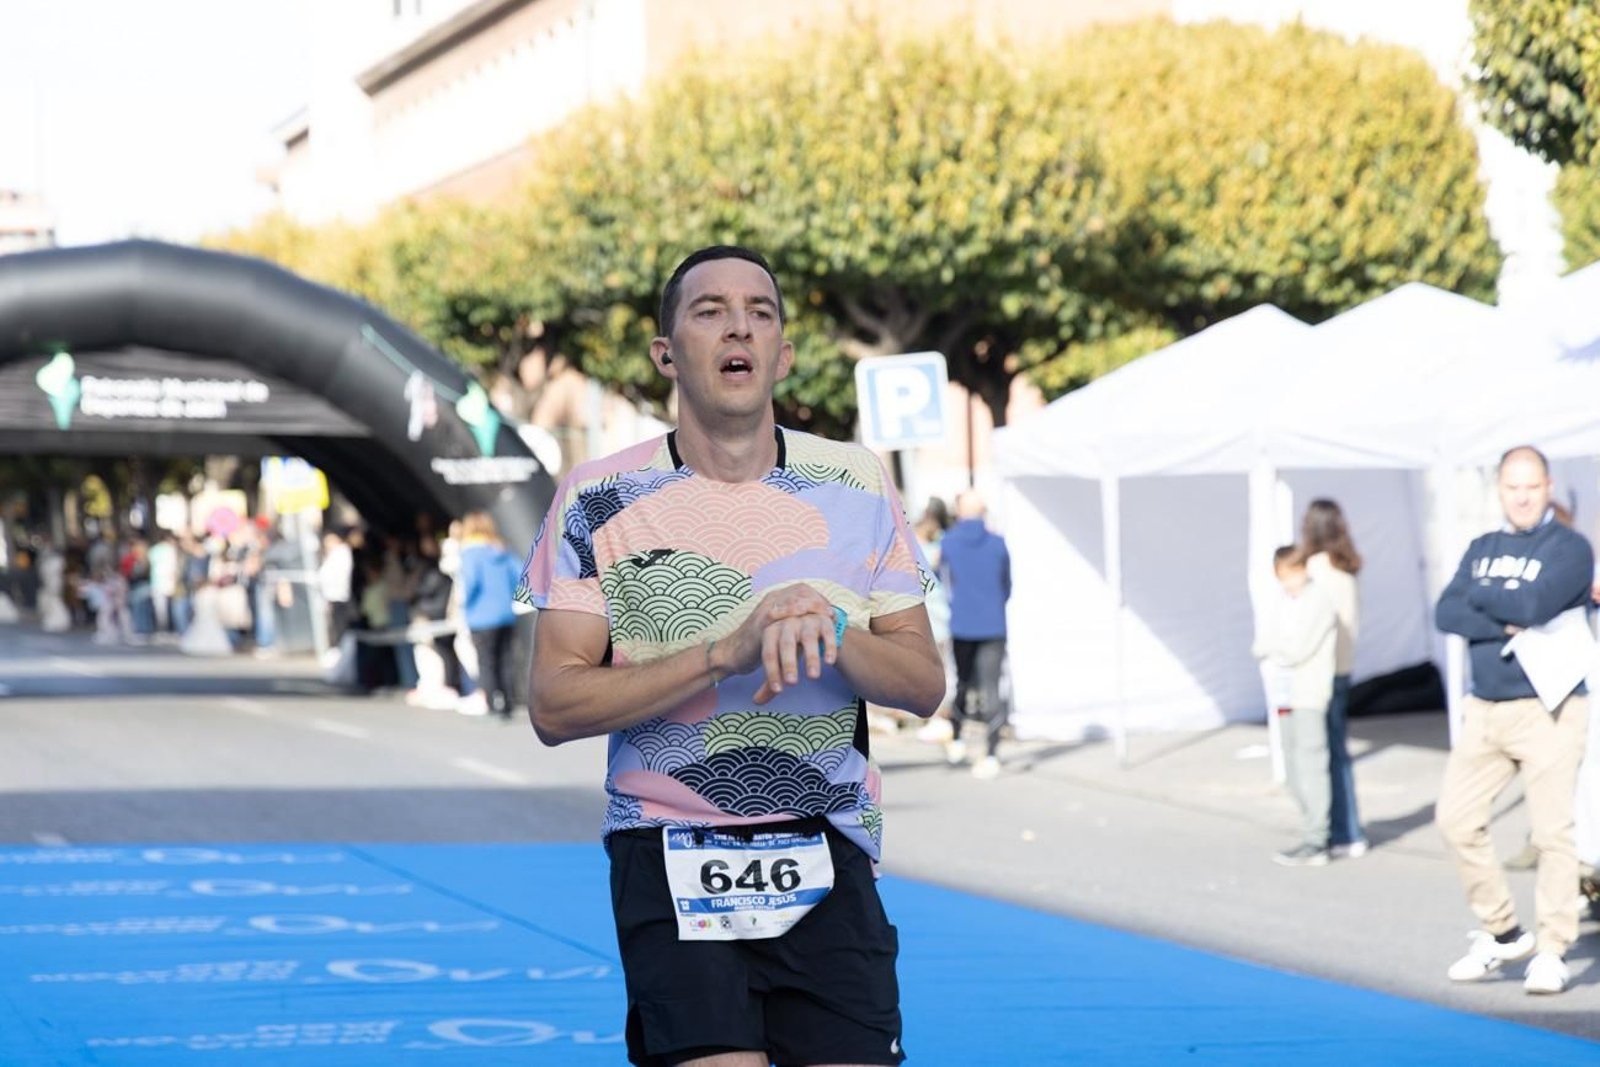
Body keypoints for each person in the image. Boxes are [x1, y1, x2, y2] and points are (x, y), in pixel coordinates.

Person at [522, 246, 943, 1067]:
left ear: (782, 354)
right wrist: (726, 650)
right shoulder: (596, 494)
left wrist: (824, 626)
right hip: (667, 844)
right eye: (710, 310)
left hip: (826, 844)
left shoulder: (857, 481)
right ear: (666, 354)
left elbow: (925, 684)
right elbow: (554, 704)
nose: (739, 326)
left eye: (760, 311)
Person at [1434, 445, 1594, 995]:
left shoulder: (1570, 547)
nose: (1522, 497)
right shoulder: (1482, 547)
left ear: (1548, 486)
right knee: (1456, 819)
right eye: (1512, 487)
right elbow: (1446, 611)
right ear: (1499, 490)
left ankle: (1553, 949)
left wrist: (1486, 602)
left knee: (1552, 834)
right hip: (1485, 707)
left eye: (1531, 486)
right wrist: (1501, 612)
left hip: (1548, 706)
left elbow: (1534, 607)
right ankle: (1503, 931)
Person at [1254, 546, 1338, 866]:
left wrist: (1273, 647)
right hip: (1284, 692)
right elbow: (1261, 642)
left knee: (1311, 763)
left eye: (1293, 573)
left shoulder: (1318, 600)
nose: (1289, 582)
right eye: (1283, 576)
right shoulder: (1281, 601)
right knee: (1290, 767)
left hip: (1309, 693)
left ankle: (1318, 838)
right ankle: (1311, 829)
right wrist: (1274, 646)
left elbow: (1296, 649)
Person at [1299, 499, 1368, 858]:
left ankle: (1333, 830)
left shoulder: (1315, 569)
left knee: (1318, 755)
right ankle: (1349, 829)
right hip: (1343, 666)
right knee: (1338, 751)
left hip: (1319, 671)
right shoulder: (1347, 567)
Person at [938, 490, 1012, 779]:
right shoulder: (998, 543)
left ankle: (957, 739)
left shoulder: (948, 542)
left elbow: (943, 581)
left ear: (959, 511)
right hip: (994, 624)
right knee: (992, 688)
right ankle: (991, 753)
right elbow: (1007, 585)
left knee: (963, 682)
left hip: (962, 624)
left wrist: (958, 606)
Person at [459, 511, 522, 719]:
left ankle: (493, 705)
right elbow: (521, 574)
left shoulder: (470, 553)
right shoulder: (502, 549)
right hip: (505, 613)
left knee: (486, 662)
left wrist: (464, 604)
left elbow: (470, 583)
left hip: (480, 616)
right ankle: (509, 703)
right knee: (506, 659)